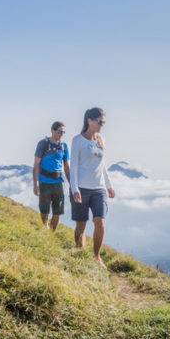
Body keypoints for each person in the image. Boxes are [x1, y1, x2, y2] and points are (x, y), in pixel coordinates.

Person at [70, 107, 115, 268]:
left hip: (99, 189)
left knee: (100, 223)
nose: (102, 124)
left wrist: (108, 185)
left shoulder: (101, 139)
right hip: (81, 188)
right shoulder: (77, 140)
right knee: (81, 226)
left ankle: (96, 256)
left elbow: (102, 165)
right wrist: (75, 189)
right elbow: (73, 166)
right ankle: (80, 254)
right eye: (100, 121)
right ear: (89, 120)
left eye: (104, 121)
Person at [32, 121, 71, 231]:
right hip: (44, 182)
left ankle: (51, 233)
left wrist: (72, 184)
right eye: (59, 131)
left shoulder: (64, 147)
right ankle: (45, 230)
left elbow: (67, 167)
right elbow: (36, 165)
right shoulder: (43, 144)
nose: (62, 134)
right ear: (52, 130)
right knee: (44, 211)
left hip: (58, 183)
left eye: (63, 132)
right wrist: (35, 185)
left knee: (58, 212)